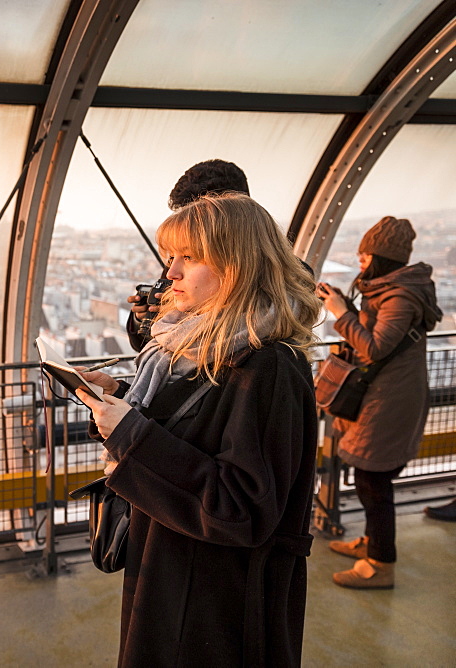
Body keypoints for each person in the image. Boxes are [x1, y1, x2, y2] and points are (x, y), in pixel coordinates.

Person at [77, 193, 321, 666]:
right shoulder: (206, 345)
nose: (170, 272)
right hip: (179, 576)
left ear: (237, 265)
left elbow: (242, 508)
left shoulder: (270, 366)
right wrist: (121, 394)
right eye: (172, 256)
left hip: (219, 608)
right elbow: (201, 423)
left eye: (189, 258)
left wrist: (130, 434)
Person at [316, 216, 442, 589]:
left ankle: (380, 564)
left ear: (380, 257)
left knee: (374, 482)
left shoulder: (400, 296)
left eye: (364, 254)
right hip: (384, 396)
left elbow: (373, 347)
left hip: (390, 401)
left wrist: (341, 313)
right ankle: (372, 544)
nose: (359, 261)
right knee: (371, 479)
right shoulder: (387, 290)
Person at [126, 159, 250, 351]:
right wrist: (146, 318)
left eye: (197, 216)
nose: (171, 274)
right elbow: (143, 343)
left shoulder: (286, 286)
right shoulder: (178, 265)